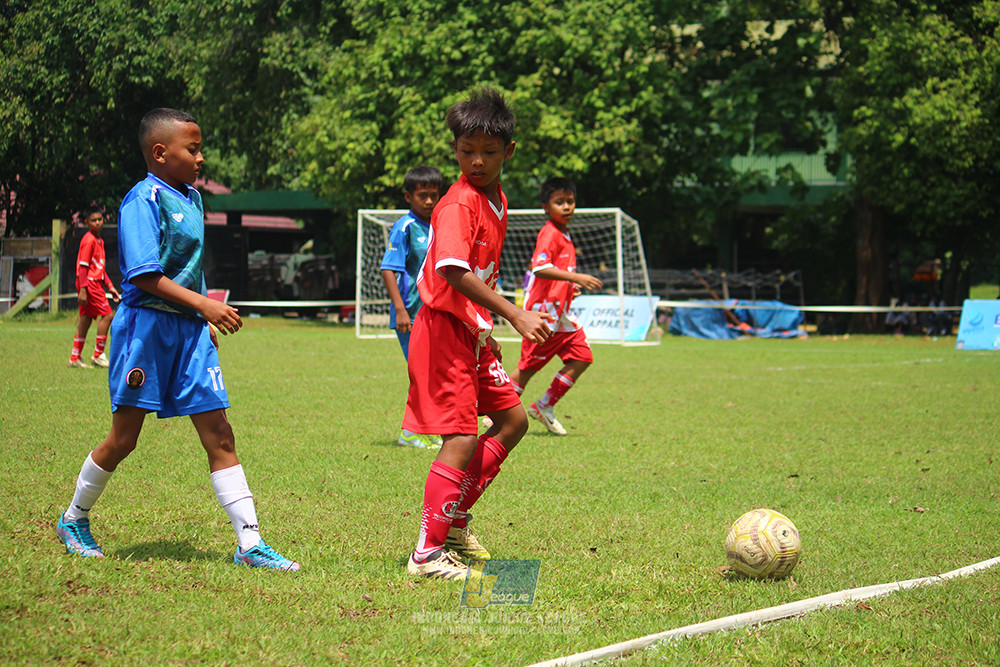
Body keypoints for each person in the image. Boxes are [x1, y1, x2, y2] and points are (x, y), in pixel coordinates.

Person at [55, 108, 298, 571]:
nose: (201, 157)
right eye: (193, 148)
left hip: (188, 332)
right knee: (124, 438)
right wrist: (205, 306)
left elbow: (190, 268)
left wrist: (199, 315)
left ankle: (250, 544)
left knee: (220, 434)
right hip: (146, 329)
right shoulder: (141, 199)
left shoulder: (192, 198)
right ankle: (74, 518)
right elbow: (145, 275)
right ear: (160, 152)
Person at [402, 88, 554, 579]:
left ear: (508, 152)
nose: (476, 161)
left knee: (513, 421)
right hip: (442, 328)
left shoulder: (498, 199)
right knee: (462, 436)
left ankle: (455, 518)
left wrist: (487, 327)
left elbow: (481, 273)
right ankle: (426, 553)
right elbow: (451, 269)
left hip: (471, 331)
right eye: (466, 151)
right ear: (455, 150)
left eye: (488, 152)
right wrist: (514, 313)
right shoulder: (458, 204)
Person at [508, 177, 602, 435]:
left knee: (582, 357)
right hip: (542, 315)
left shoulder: (565, 233)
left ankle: (544, 406)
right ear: (546, 208)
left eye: (570, 201)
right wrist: (576, 277)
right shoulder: (549, 233)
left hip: (562, 315)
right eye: (559, 202)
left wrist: (572, 288)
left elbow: (558, 274)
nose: (567, 207)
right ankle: (498, 412)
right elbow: (540, 268)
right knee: (527, 369)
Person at [379, 166, 445, 449]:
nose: (429, 201)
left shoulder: (438, 225)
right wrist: (401, 310)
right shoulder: (404, 227)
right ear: (408, 196)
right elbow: (388, 269)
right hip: (410, 314)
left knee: (433, 372)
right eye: (422, 196)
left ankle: (428, 428)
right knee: (421, 372)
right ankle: (409, 432)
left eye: (434, 196)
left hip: (433, 313)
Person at [68, 206, 120, 368]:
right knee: (108, 316)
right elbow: (83, 267)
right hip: (89, 283)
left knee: (86, 318)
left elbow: (99, 268)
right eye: (93, 220)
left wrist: (110, 286)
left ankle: (75, 357)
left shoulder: (99, 241)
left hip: (94, 282)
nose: (97, 223)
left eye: (99, 219)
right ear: (86, 223)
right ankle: (98, 355)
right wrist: (83, 289)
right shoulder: (89, 240)